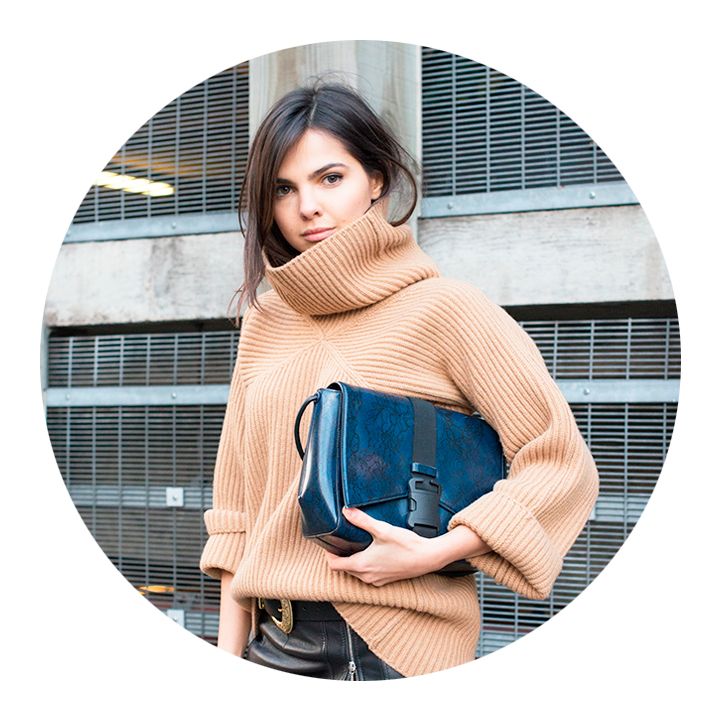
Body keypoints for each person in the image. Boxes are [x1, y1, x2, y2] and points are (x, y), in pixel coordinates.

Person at [199, 80, 599, 681]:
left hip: (395, 646)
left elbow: (560, 462)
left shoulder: (446, 309)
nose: (307, 206)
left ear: (376, 180)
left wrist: (438, 550)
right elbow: (236, 514)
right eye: (284, 188)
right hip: (272, 642)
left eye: (330, 178)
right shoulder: (266, 321)